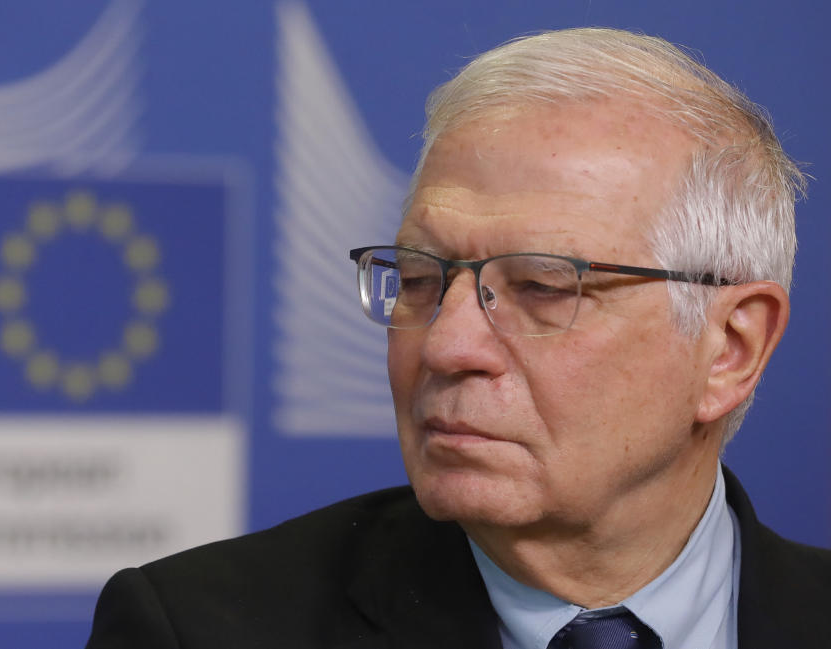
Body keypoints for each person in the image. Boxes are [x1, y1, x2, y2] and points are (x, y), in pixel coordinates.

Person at [86, 27, 830, 649]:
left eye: (541, 286)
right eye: (418, 277)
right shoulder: (197, 628)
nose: (446, 346)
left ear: (730, 347)